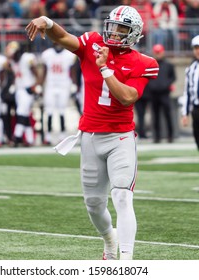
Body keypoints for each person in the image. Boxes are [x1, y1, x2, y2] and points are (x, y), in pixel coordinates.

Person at [26, 5, 159, 260]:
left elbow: (128, 97)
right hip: (89, 136)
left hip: (120, 137)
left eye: (122, 29)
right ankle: (110, 238)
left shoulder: (144, 62)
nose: (114, 32)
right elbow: (64, 38)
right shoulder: (93, 43)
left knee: (122, 196)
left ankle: (126, 262)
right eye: (113, 25)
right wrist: (48, 22)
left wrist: (105, 70)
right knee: (94, 205)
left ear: (133, 33)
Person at [5, 41, 41, 147]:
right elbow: (8, 67)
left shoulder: (27, 58)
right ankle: (30, 139)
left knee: (21, 112)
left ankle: (17, 137)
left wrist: (35, 86)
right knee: (24, 114)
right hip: (19, 89)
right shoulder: (12, 61)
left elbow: (37, 74)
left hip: (28, 89)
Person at [40, 43, 77, 144]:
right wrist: (40, 85)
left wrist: (74, 84)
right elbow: (44, 71)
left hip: (64, 85)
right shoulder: (47, 54)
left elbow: (72, 71)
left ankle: (62, 135)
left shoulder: (69, 55)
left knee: (61, 110)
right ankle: (48, 137)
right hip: (51, 85)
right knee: (49, 110)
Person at [146, 44, 176, 143]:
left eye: (159, 52)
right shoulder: (151, 64)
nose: (158, 54)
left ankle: (170, 136)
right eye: (156, 52)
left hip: (165, 94)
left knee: (168, 115)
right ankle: (157, 137)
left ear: (163, 52)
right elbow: (147, 78)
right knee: (156, 116)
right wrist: (151, 86)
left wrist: (166, 85)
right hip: (153, 94)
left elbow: (173, 77)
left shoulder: (168, 65)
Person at [181, 35, 199, 151]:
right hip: (196, 109)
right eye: (196, 48)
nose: (197, 51)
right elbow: (187, 92)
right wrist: (185, 113)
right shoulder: (191, 68)